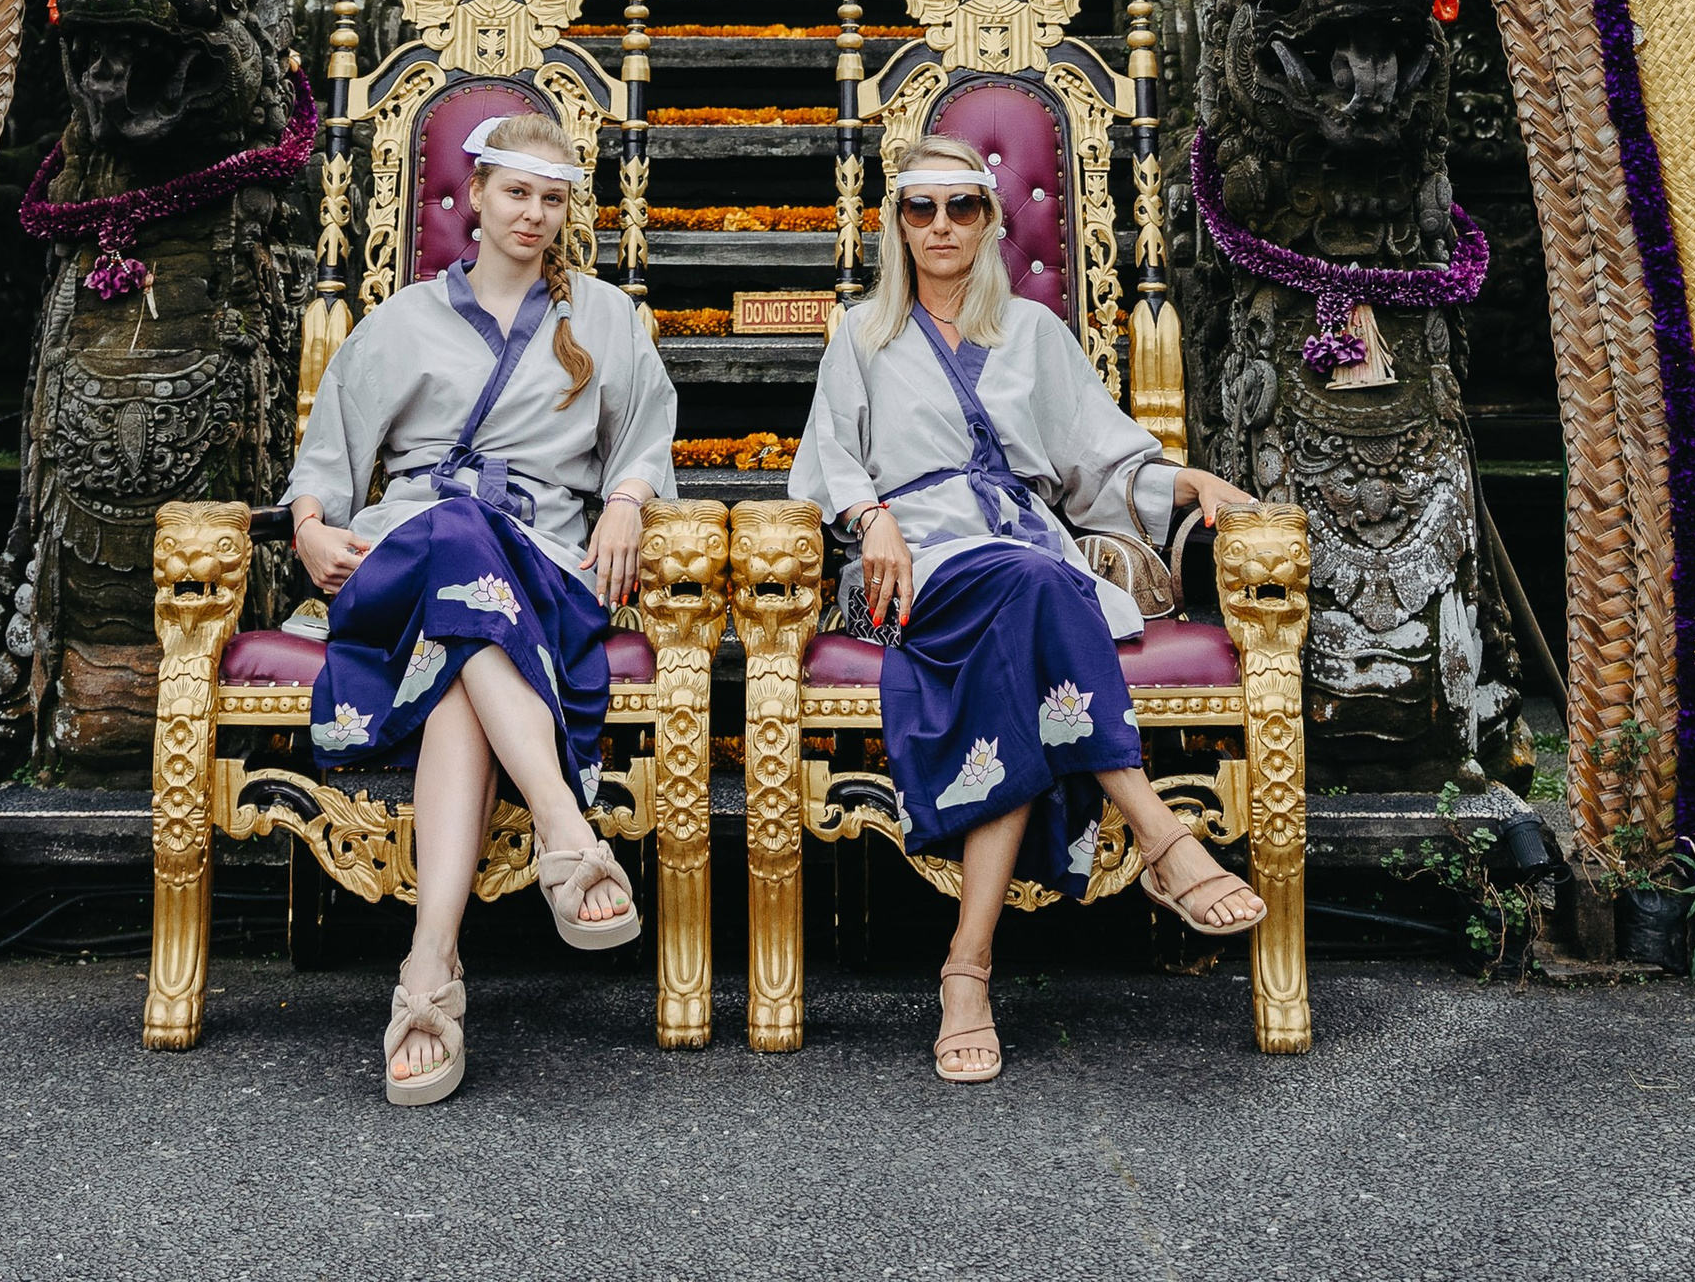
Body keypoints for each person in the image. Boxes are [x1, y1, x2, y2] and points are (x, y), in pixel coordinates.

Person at [790, 131, 1267, 1082]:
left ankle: (965, 971)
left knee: (1030, 602)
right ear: (896, 224)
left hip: (1025, 562)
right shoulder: (863, 335)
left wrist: (1191, 481)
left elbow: (1102, 457)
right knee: (1035, 588)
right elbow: (826, 459)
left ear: (990, 222)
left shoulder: (1037, 334)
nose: (941, 227)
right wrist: (871, 516)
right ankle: (1163, 838)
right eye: (920, 210)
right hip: (913, 569)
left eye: (961, 209)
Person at [285, 109, 679, 1103]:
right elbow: (324, 467)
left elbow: (642, 445)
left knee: (466, 653)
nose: (535, 214)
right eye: (517, 193)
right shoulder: (403, 320)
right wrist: (309, 528)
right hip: (406, 554)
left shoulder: (604, 319)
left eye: (553, 199)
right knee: (458, 530)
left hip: (535, 567)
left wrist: (627, 499)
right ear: (473, 197)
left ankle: (428, 970)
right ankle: (564, 832)